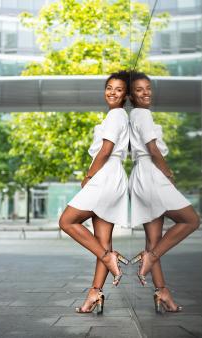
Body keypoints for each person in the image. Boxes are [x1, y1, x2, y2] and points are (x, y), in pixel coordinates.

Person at [127, 71, 201, 313]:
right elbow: (152, 148)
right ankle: (151, 257)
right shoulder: (143, 114)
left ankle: (162, 292)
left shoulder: (134, 115)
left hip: (140, 174)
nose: (146, 92)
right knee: (191, 219)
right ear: (131, 94)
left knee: (153, 240)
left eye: (148, 87)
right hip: (151, 173)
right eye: (139, 89)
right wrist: (168, 173)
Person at [58, 71, 131, 314]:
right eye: (109, 87)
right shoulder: (120, 116)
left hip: (105, 175)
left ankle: (108, 257)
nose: (112, 92)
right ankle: (94, 294)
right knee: (103, 240)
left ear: (126, 95)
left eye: (118, 89)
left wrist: (89, 176)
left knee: (67, 220)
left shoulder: (115, 115)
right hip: (114, 175)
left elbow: (106, 149)